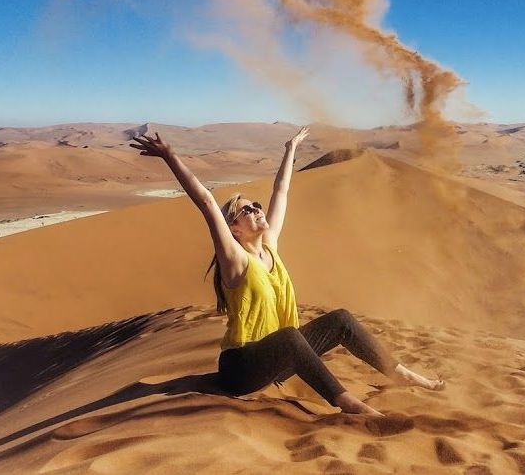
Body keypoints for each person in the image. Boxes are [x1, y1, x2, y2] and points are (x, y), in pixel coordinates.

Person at [130, 128, 443, 415]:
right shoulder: (235, 261)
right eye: (246, 210)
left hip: (279, 360)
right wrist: (170, 157)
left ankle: (401, 374)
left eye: (256, 205)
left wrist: (290, 148)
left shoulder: (270, 249)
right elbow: (206, 202)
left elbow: (281, 191)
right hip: (241, 368)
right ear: (234, 229)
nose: (256, 209)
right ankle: (350, 405)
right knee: (290, 338)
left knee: (342, 320)